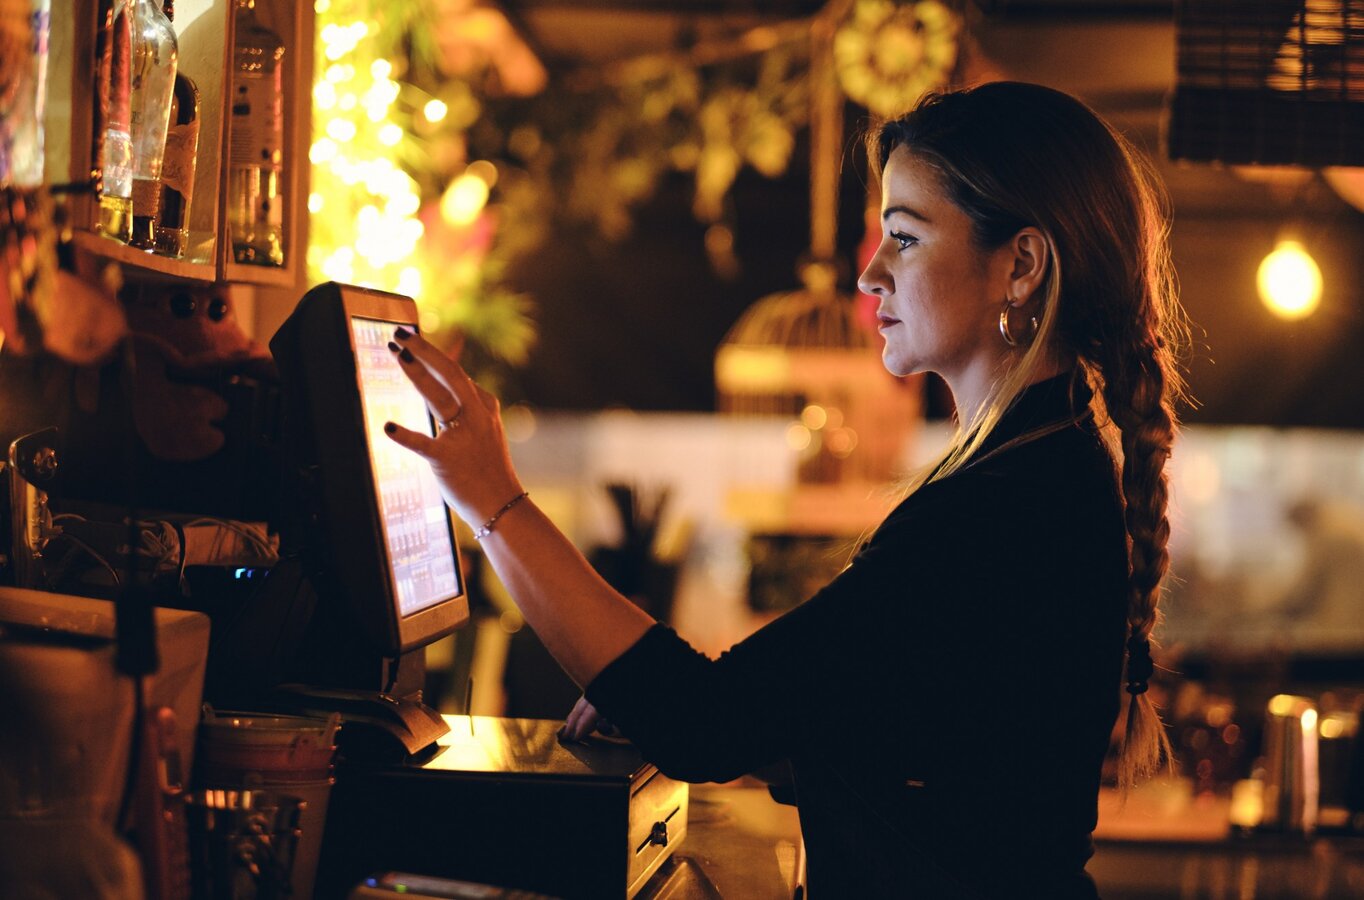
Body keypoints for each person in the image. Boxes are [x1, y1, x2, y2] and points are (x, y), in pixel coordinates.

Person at [384, 80, 1187, 898]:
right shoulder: (1036, 466)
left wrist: (495, 502)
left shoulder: (1003, 506)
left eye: (904, 238)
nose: (870, 273)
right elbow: (940, 751)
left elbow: (702, 722)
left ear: (1020, 265)